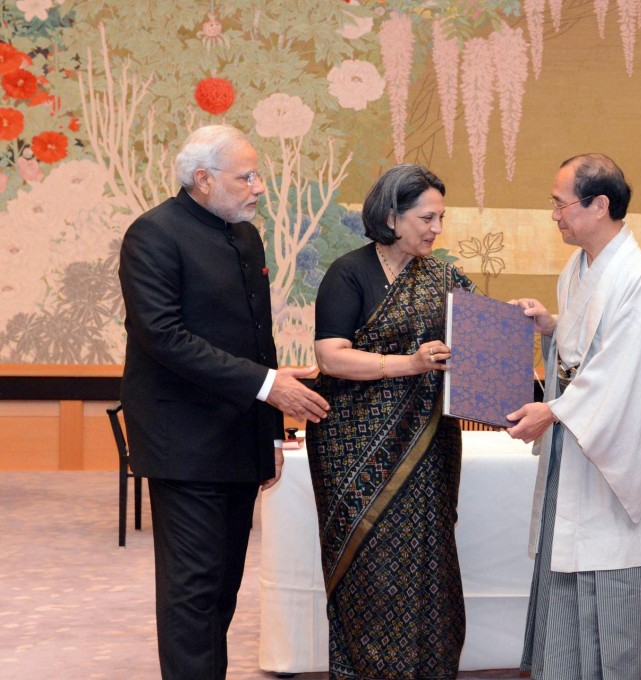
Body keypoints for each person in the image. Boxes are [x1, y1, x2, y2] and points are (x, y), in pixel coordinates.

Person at [118, 124, 330, 680]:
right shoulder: (153, 235)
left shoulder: (245, 237)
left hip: (239, 439)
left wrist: (272, 434)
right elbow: (163, 337)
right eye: (247, 176)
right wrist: (268, 386)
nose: (259, 187)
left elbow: (257, 342)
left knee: (222, 589)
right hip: (182, 443)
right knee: (192, 594)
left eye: (258, 174)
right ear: (203, 179)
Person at [506, 153, 641, 680]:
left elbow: (625, 374)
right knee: (568, 577)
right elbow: (592, 345)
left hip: (613, 465)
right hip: (582, 451)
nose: (554, 215)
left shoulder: (637, 277)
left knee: (614, 599)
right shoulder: (580, 267)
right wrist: (551, 325)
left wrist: (554, 410)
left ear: (599, 205)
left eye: (560, 204)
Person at [306, 164, 475, 680]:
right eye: (426, 217)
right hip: (354, 450)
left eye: (441, 217)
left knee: (430, 567)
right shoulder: (349, 272)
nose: (436, 228)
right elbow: (331, 357)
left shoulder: (442, 277)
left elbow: (477, 346)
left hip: (427, 448)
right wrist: (409, 364)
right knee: (373, 574)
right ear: (390, 216)